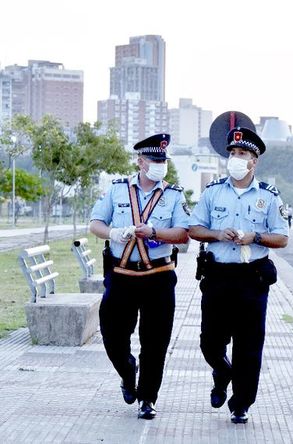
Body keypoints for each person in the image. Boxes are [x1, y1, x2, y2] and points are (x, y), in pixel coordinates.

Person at [189, 126, 289, 424]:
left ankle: (241, 403)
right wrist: (218, 233)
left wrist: (255, 237)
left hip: (252, 278)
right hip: (218, 276)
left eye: (241, 153)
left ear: (253, 161)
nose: (235, 158)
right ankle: (222, 371)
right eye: (232, 153)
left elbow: (281, 238)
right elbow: (195, 229)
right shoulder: (213, 191)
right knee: (210, 342)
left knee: (249, 346)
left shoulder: (269, 196)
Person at [89, 133, 190, 420]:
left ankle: (148, 398)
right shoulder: (117, 189)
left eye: (163, 160)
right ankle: (126, 370)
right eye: (155, 159)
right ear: (140, 161)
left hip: (158, 277)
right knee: (112, 335)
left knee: (156, 341)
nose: (160, 164)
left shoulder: (174, 195)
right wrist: (113, 233)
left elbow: (184, 234)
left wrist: (155, 232)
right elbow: (95, 222)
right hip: (121, 276)